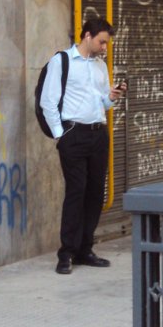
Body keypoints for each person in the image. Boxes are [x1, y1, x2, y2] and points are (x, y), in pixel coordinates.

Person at [40, 18, 127, 274]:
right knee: (76, 192)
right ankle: (66, 253)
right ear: (87, 36)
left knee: (95, 193)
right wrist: (61, 135)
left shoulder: (101, 67)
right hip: (73, 134)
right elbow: (48, 101)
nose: (104, 47)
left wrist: (110, 97)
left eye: (106, 43)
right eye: (102, 42)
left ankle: (85, 249)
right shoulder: (62, 62)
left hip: (98, 134)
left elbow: (102, 103)